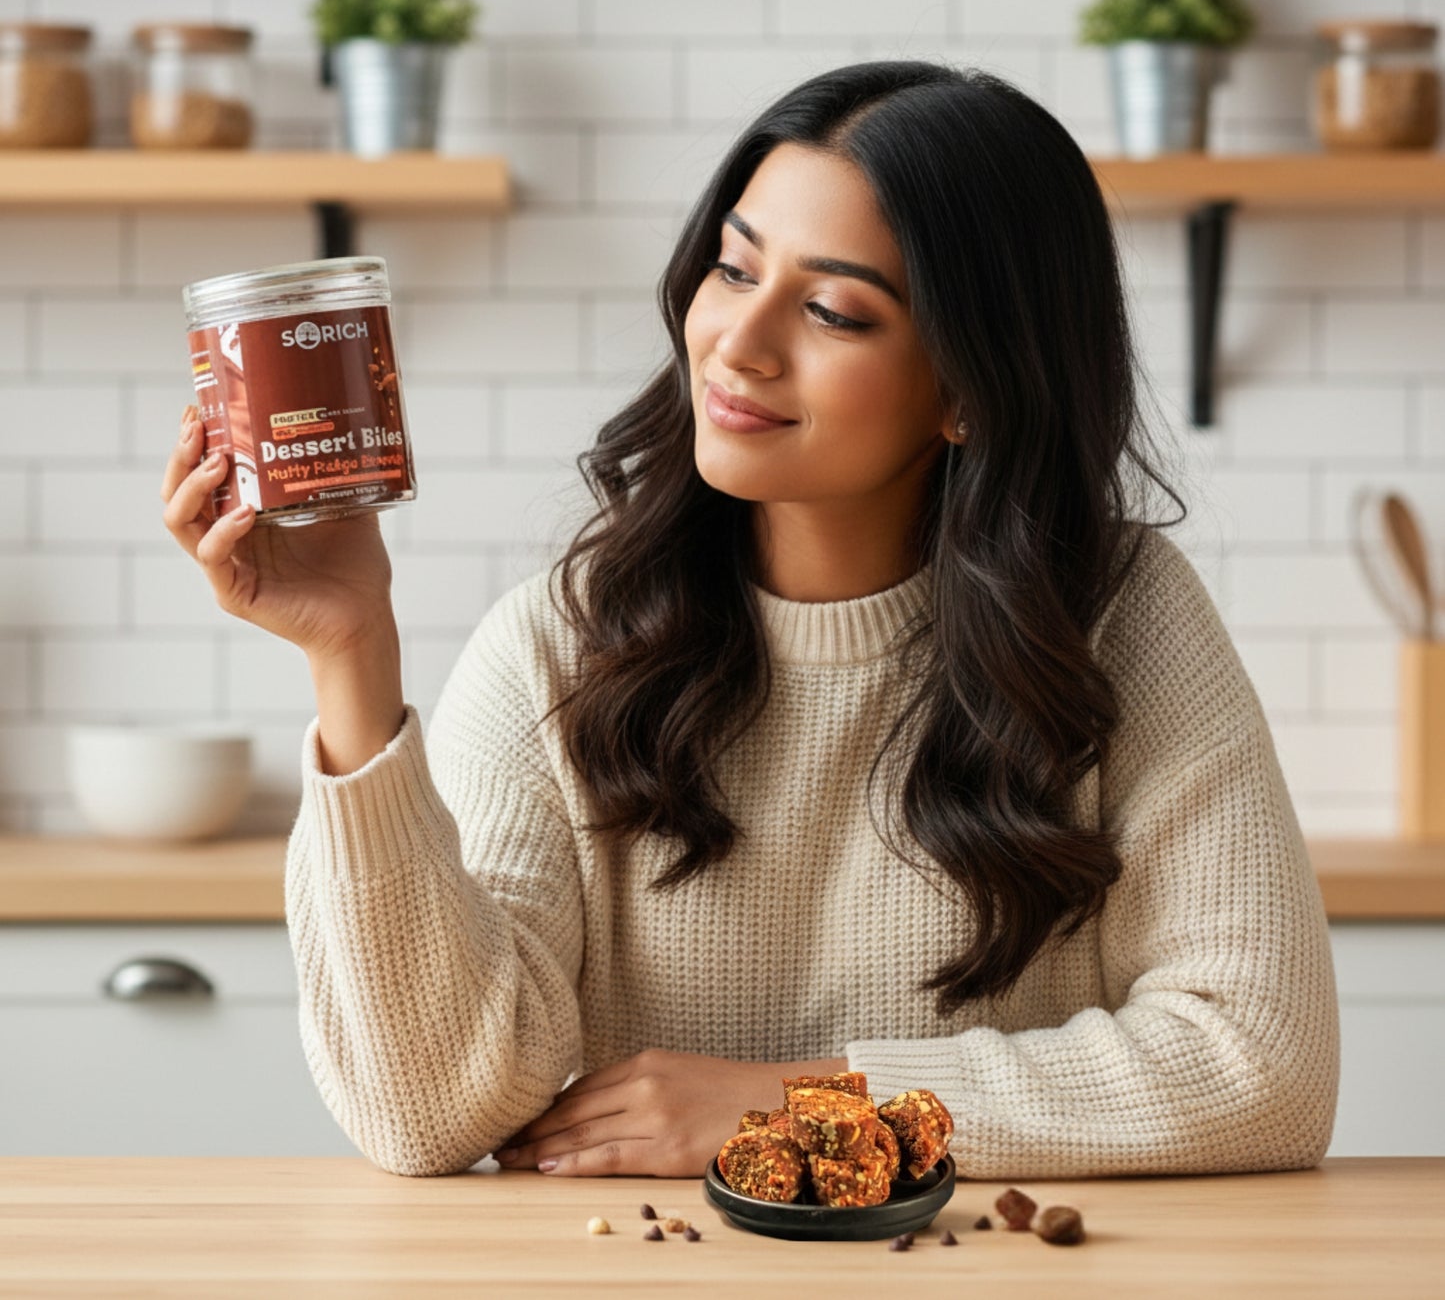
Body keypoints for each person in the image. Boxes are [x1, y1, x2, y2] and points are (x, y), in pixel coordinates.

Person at [161, 59, 1339, 1182]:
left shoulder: (1121, 622)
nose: (737, 340)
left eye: (830, 310)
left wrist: (804, 1107)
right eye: (733, 269)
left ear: (971, 388)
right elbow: (424, 1112)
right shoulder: (553, 651)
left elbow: (1260, 1065)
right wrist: (350, 651)